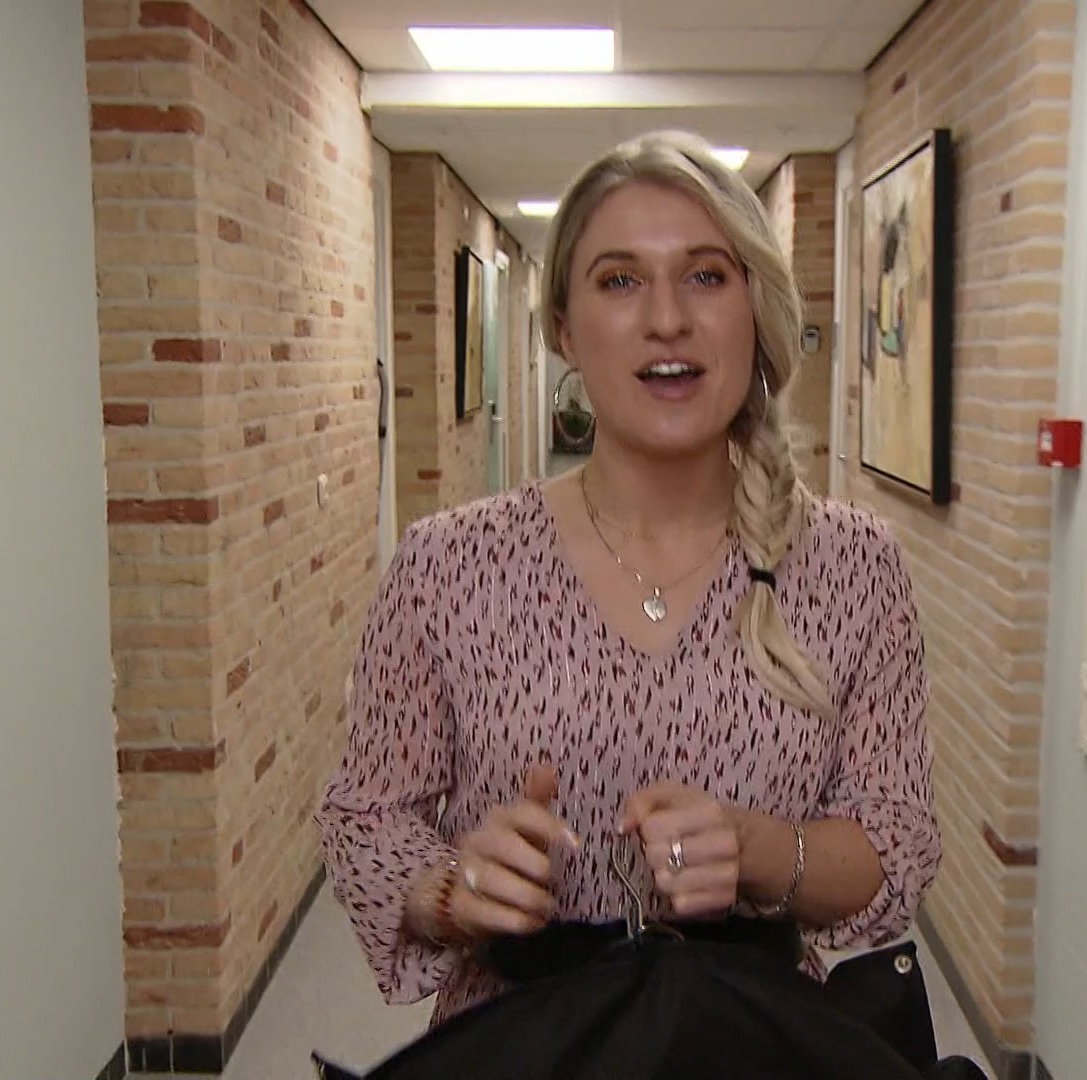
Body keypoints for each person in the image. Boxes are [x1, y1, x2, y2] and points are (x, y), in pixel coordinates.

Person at [315, 129, 940, 1028]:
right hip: (520, 1040)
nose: (666, 319)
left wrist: (755, 848)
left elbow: (896, 843)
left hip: (754, 1039)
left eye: (706, 276)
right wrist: (451, 888)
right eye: (619, 281)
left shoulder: (855, 566)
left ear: (753, 309)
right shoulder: (446, 566)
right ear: (564, 329)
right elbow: (365, 817)